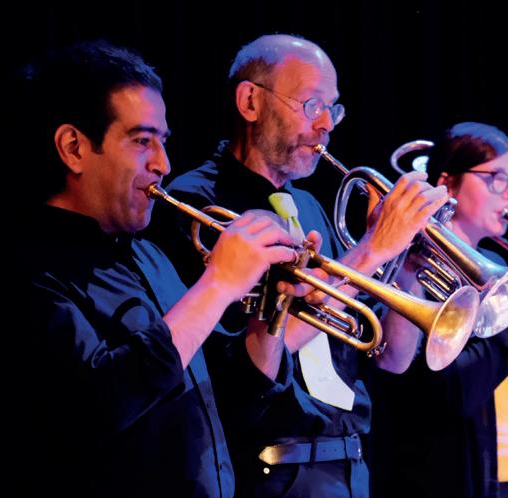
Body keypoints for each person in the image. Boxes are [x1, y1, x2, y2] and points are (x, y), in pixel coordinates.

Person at [147, 34, 450, 497]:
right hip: (269, 468)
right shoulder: (195, 204)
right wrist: (372, 249)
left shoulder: (309, 207)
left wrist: (405, 263)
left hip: (348, 463)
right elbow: (239, 368)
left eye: (334, 109)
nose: (326, 124)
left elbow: (391, 357)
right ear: (250, 102)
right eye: (312, 105)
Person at [8, 40, 301, 498]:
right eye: (142, 141)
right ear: (74, 148)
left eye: (163, 142)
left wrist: (273, 312)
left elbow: (229, 400)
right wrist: (219, 284)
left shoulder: (150, 256)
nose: (163, 164)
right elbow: (97, 405)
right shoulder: (31, 269)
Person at [370, 122, 508, 498]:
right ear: (448, 185)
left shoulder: (501, 268)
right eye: (496, 178)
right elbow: (454, 393)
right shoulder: (416, 268)